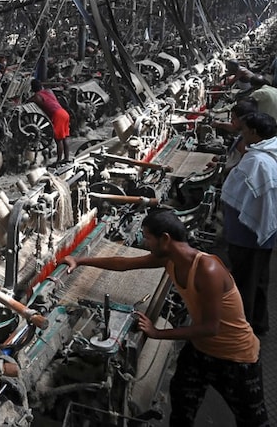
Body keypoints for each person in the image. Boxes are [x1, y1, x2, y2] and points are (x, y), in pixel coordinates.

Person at [61, 209, 268, 427]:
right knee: (181, 411)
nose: (145, 242)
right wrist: (79, 260)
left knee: (254, 421)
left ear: (165, 239)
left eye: (148, 237)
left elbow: (211, 327)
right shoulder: (170, 259)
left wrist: (157, 333)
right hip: (200, 351)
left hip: (236, 358)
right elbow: (124, 263)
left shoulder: (208, 270)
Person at [221, 112, 277, 336]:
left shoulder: (257, 161)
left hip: (248, 234)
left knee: (244, 284)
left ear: (254, 132)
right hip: (265, 232)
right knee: (259, 279)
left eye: (244, 130)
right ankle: (260, 323)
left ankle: (241, 331)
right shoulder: (269, 151)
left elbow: (247, 193)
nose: (241, 133)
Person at [30, 78, 70, 165]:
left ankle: (59, 161)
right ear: (41, 86)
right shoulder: (49, 91)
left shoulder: (37, 96)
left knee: (58, 140)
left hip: (57, 115)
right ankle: (66, 158)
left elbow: (29, 102)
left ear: (32, 89)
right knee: (65, 137)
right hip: (64, 113)